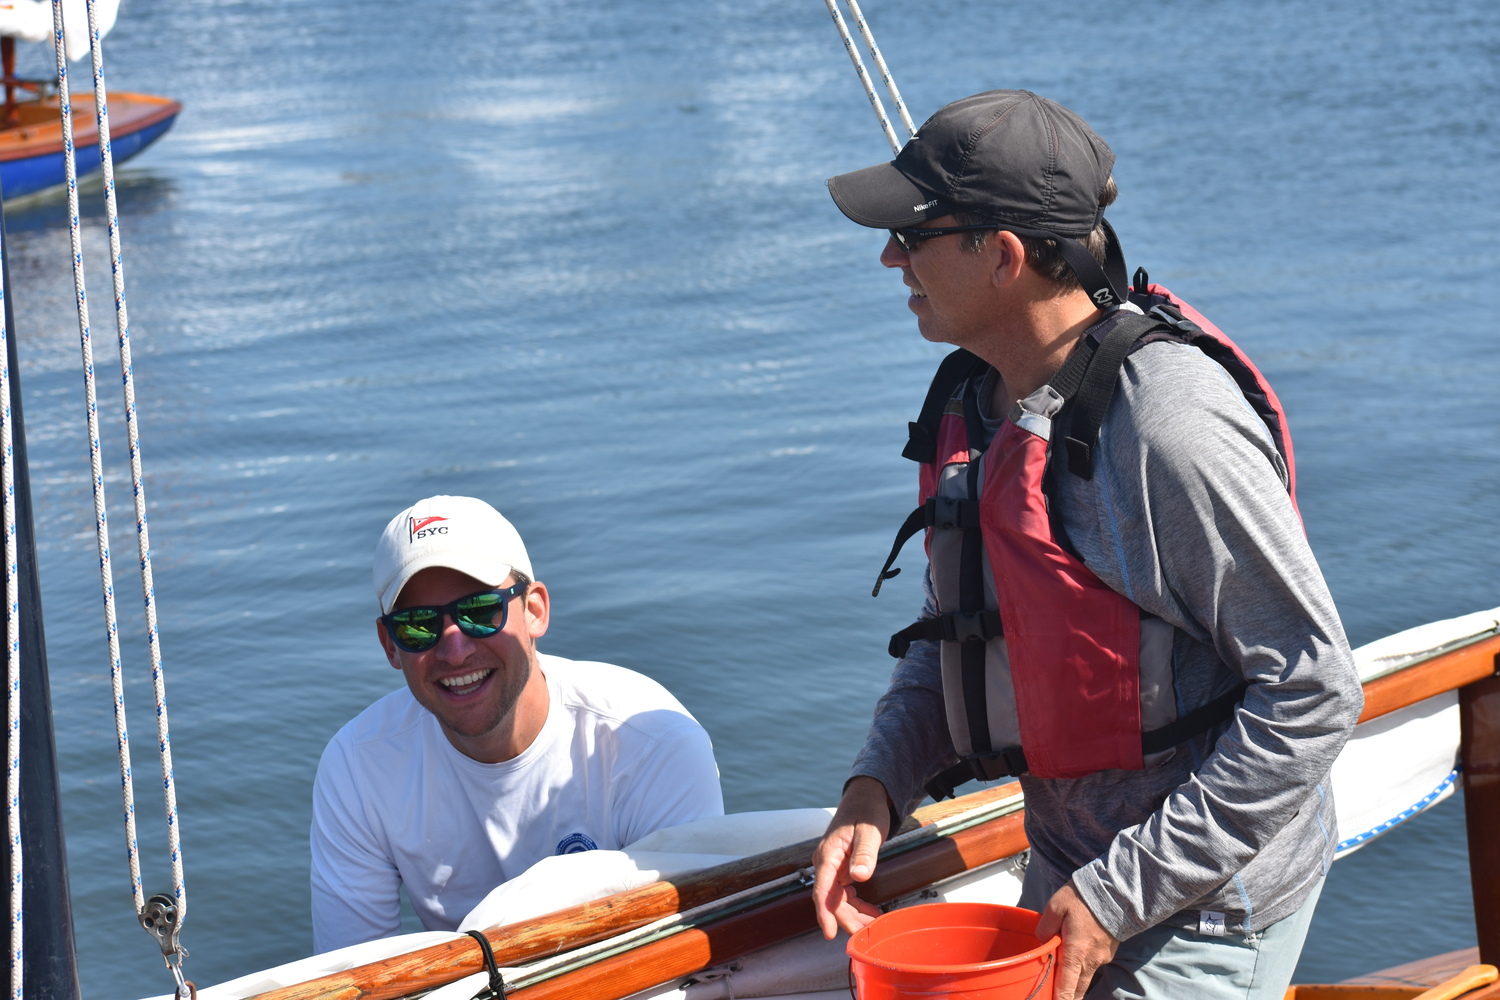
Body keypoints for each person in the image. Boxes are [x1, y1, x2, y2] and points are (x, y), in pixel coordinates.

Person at [810, 90, 1363, 999]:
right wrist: (876, 786)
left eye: (913, 235)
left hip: (1202, 907)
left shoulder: (1169, 429)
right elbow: (963, 634)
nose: (888, 255)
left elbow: (1313, 690)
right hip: (1068, 874)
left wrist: (1117, 896)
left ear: (1006, 256)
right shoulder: (980, 400)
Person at [310, 495, 724, 952]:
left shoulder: (651, 743)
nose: (455, 650)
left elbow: (689, 959)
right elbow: (352, 975)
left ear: (535, 610)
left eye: (480, 611)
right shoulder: (357, 767)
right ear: (390, 645)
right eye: (418, 626)